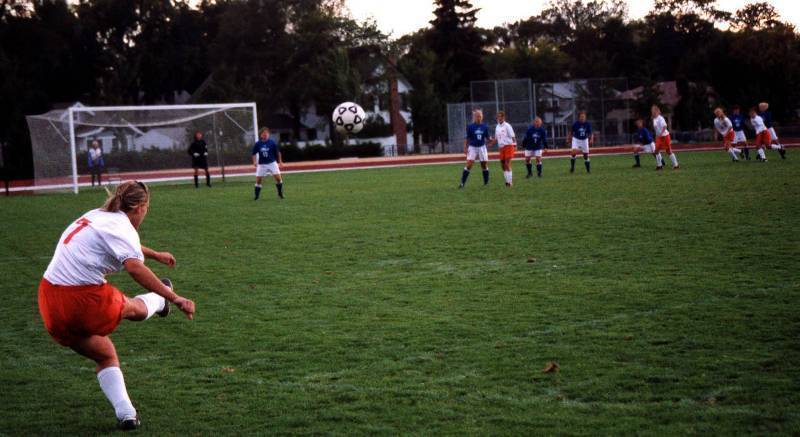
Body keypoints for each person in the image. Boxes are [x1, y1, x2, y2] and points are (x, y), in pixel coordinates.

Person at [37, 181, 195, 430]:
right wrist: (176, 298)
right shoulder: (122, 227)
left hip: (49, 302)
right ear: (140, 207)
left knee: (105, 354)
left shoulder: (96, 215)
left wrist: (155, 254)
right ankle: (163, 300)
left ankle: (126, 413)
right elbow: (134, 266)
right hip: (82, 299)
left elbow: (120, 243)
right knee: (133, 308)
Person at [459, 109, 490, 188]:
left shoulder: (485, 126)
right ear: (474, 117)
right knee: (469, 164)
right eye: (477, 116)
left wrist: (492, 139)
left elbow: (487, 137)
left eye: (480, 116)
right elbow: (467, 138)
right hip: (472, 147)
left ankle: (486, 183)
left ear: (482, 117)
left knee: (484, 165)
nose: (478, 118)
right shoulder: (470, 126)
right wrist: (465, 147)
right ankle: (462, 183)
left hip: (482, 147)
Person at [252, 127, 284, 200]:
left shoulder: (272, 143)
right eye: (264, 133)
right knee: (258, 180)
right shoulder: (258, 144)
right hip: (262, 164)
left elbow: (278, 153)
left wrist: (280, 161)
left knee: (278, 179)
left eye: (267, 133)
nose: (265, 135)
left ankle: (280, 194)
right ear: (261, 135)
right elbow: (253, 154)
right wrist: (254, 161)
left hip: (272, 163)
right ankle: (256, 197)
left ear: (268, 134)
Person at [493, 111, 516, 187]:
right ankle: (507, 181)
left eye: (500, 116)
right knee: (502, 165)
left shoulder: (507, 126)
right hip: (501, 147)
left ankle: (510, 182)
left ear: (503, 117)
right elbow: (496, 138)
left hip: (508, 146)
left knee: (507, 163)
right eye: (498, 117)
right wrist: (490, 143)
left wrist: (515, 145)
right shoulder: (497, 126)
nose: (499, 118)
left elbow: (513, 136)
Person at [652, 105, 679, 170]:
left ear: (657, 111)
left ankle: (676, 165)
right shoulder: (654, 119)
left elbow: (665, 126)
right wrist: (657, 135)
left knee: (668, 151)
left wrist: (661, 133)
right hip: (659, 137)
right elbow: (656, 129)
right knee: (656, 151)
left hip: (665, 136)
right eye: (652, 111)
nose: (653, 112)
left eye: (654, 111)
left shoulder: (660, 118)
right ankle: (659, 166)